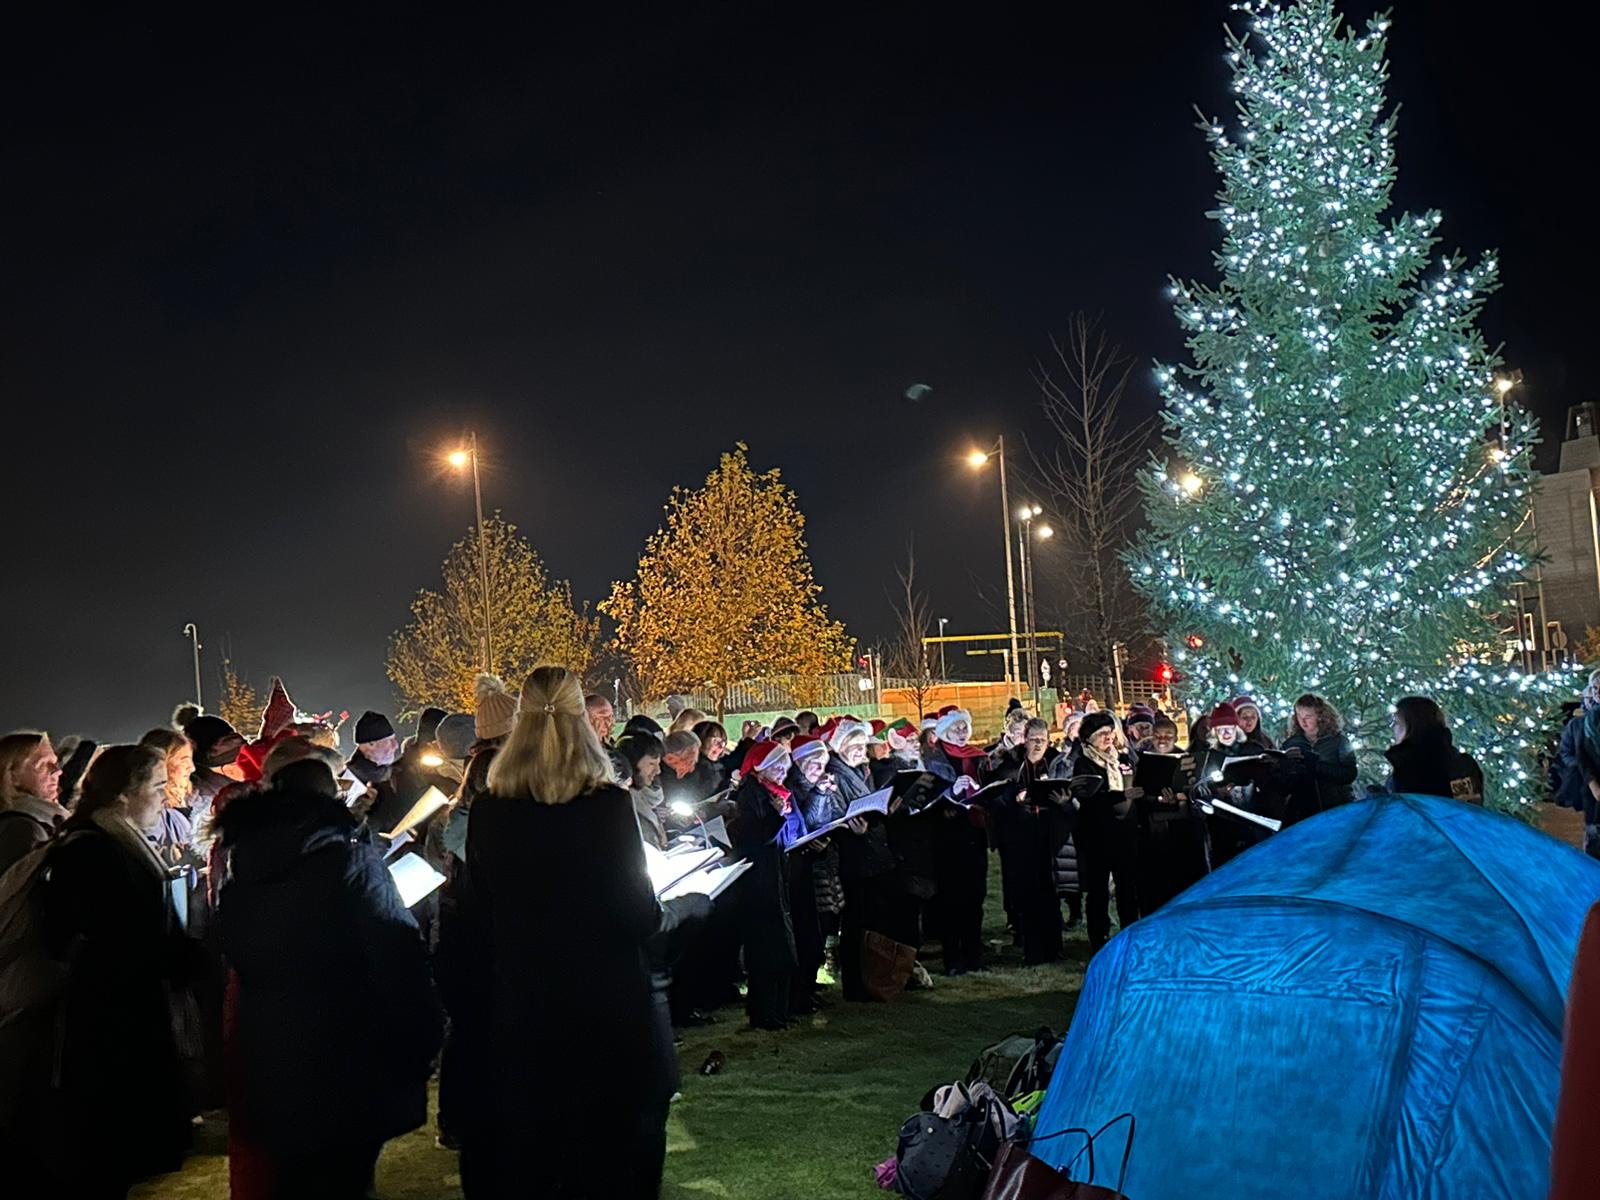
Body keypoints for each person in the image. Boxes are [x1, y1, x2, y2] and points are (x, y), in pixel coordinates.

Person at [450, 667, 674, 1198]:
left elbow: (480, 913)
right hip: (605, 1005)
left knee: (536, 1157)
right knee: (606, 1157)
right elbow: (637, 915)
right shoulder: (609, 808)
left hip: (523, 1006)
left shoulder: (490, 811)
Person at [215, 739, 441, 1200]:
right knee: (347, 1178)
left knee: (296, 1178)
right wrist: (423, 1035)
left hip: (272, 1050)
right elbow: (395, 950)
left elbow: (230, 944)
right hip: (347, 1047)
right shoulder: (348, 861)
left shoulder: (243, 864)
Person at [33, 744, 205, 1196]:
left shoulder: (108, 840)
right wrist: (186, 956)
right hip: (113, 1018)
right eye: (156, 787)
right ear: (123, 795)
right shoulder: (95, 849)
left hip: (121, 1008)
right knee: (110, 1150)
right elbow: (124, 934)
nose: (165, 798)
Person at [987, 718, 1070, 964]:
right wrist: (1014, 798)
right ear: (1024, 739)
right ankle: (1032, 949)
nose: (1038, 744)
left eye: (1042, 740)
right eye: (1033, 739)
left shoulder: (1055, 762)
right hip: (1020, 838)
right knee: (1027, 894)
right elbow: (995, 798)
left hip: (1049, 835)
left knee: (1050, 894)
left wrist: (1063, 801)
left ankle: (1054, 948)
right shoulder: (1010, 765)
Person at [731, 740, 800, 1029]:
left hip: (774, 879)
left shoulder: (773, 794)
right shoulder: (752, 797)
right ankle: (765, 1014)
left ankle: (778, 1012)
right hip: (759, 885)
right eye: (777, 765)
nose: (783, 771)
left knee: (780, 949)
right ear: (760, 768)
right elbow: (756, 839)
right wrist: (777, 815)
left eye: (785, 765)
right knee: (767, 950)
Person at [924, 708, 990, 975]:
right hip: (948, 837)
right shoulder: (934, 759)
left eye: (965, 728)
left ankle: (974, 954)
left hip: (975, 832)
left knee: (976, 896)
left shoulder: (978, 757)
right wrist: (951, 792)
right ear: (944, 732)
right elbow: (927, 799)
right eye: (956, 729)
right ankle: (953, 957)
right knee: (952, 899)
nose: (962, 734)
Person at [1071, 711, 1143, 952]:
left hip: (1125, 833)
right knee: (1098, 889)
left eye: (1110, 732)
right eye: (1102, 734)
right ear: (1089, 738)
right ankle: (1098, 936)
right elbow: (1088, 796)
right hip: (1097, 835)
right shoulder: (1084, 762)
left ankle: (1130, 930)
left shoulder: (1123, 758)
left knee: (1128, 886)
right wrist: (1121, 796)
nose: (1108, 737)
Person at [1383, 696, 1484, 803]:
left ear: (1412, 725)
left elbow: (1466, 811)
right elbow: (1469, 809)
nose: (1393, 727)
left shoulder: (1405, 769)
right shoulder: (1460, 765)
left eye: (1397, 722)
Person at [1280, 693, 1358, 822]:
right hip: (1303, 813)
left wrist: (1316, 766)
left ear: (1321, 716)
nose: (1303, 721)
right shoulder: (1291, 743)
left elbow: (1350, 774)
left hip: (1335, 809)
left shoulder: (1338, 741)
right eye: (1299, 716)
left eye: (1308, 717)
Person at [0, 731, 66, 876]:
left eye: (55, 763)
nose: (57, 771)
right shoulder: (21, 828)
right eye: (43, 765)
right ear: (12, 775)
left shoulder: (44, 821)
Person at [346, 710, 404, 833]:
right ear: (371, 744)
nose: (396, 745)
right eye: (389, 740)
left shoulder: (394, 774)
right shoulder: (348, 781)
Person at [619, 732, 669, 849]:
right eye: (651, 764)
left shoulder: (646, 799)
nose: (658, 771)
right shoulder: (625, 803)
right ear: (633, 763)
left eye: (658, 764)